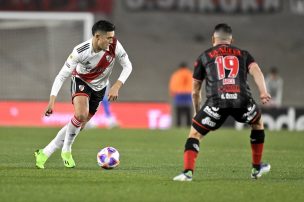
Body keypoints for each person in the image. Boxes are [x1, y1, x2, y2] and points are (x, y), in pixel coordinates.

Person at [173, 23, 271, 181]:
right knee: (258, 123)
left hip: (217, 102)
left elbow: (195, 90)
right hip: (242, 101)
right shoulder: (243, 54)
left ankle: (188, 173)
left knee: (195, 134)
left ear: (213, 39)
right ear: (231, 40)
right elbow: (256, 71)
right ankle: (256, 168)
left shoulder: (204, 56)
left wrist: (197, 112)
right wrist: (263, 91)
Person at [34, 20, 132, 169]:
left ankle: (45, 152)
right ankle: (66, 150)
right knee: (80, 115)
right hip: (81, 81)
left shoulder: (114, 46)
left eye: (113, 37)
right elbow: (61, 76)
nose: (112, 41)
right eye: (109, 38)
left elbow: (128, 66)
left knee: (79, 124)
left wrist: (117, 85)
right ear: (98, 37)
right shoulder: (80, 51)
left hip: (100, 88)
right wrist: (52, 100)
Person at [169, 62, 193, 127]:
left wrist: (172, 93)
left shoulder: (176, 74)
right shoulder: (190, 74)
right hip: (188, 93)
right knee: (188, 109)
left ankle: (178, 124)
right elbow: (194, 84)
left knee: (179, 110)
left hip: (179, 93)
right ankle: (188, 124)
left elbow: (172, 84)